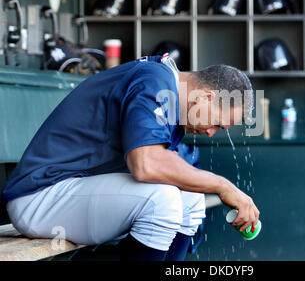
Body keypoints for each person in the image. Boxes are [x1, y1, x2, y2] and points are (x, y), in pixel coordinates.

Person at [1, 53, 260, 261]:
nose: (211, 133)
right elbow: (145, 165)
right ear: (205, 96)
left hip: (70, 193)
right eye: (216, 123)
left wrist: (217, 185)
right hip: (39, 198)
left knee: (189, 199)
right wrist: (223, 185)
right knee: (163, 200)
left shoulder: (170, 94)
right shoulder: (155, 80)